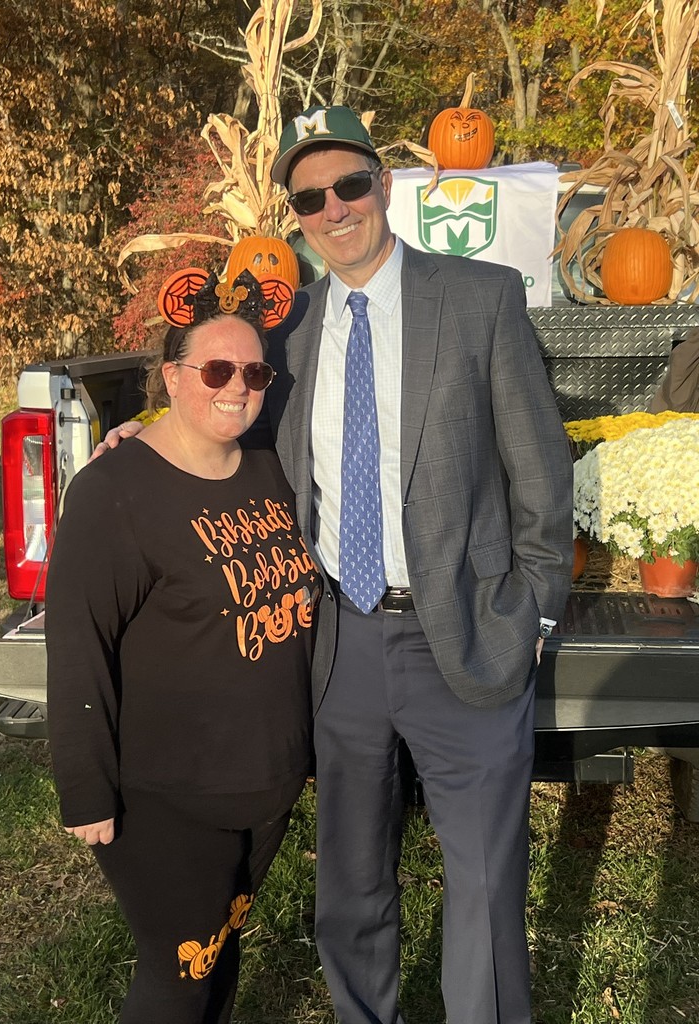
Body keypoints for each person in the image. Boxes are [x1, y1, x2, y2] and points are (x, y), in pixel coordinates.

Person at [99, 105, 573, 1024]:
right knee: (351, 886)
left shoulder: (479, 298)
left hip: (467, 634)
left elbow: (540, 468)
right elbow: (230, 420)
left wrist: (537, 612)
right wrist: (149, 434)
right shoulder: (287, 325)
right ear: (299, 216)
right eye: (309, 198)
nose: (333, 209)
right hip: (335, 644)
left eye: (349, 185)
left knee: (482, 886)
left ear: (382, 185)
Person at [45, 282, 321, 1024]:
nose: (238, 387)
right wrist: (86, 789)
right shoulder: (116, 491)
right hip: (166, 794)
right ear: (171, 377)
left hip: (265, 782)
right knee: (180, 972)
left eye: (255, 373)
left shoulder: (267, 466)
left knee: (218, 952)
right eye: (216, 371)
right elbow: (78, 643)